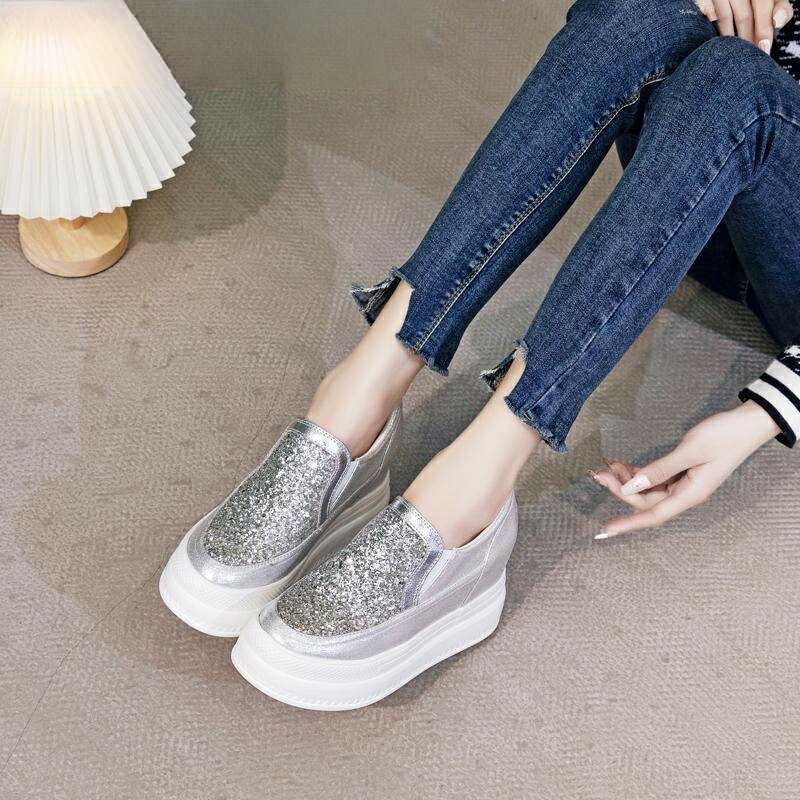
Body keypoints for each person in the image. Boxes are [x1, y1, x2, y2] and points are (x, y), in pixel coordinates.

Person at [160, 0, 800, 710]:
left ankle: (477, 483)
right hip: (714, 174)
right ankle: (362, 395)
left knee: (739, 86)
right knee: (643, 10)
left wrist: (767, 412)